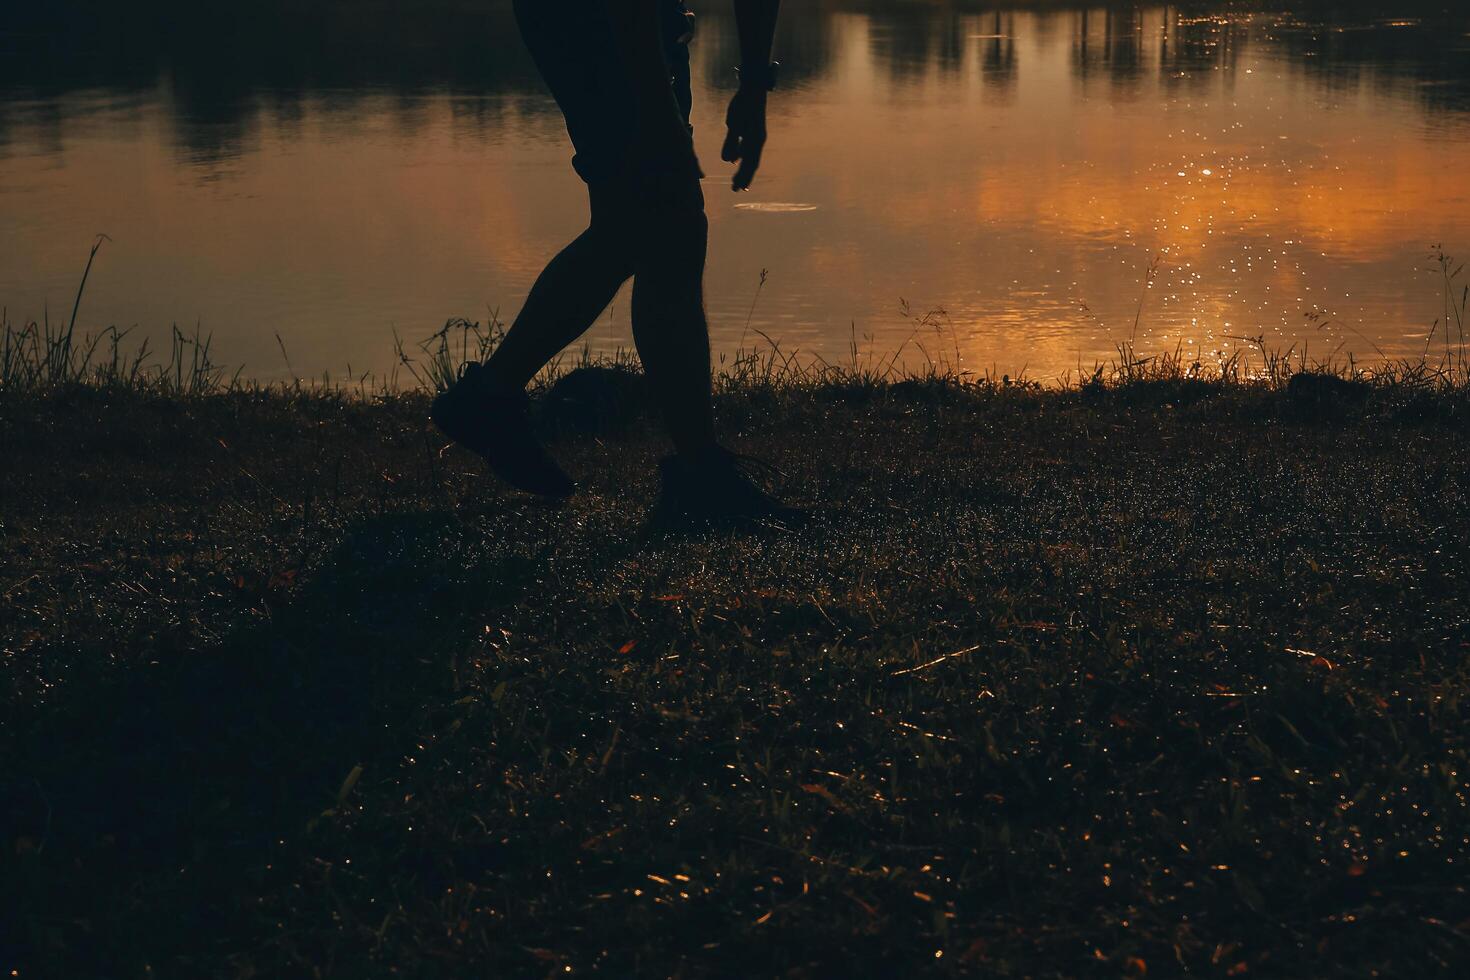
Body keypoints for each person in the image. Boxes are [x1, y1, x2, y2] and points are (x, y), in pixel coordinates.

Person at [431, 0, 803, 527]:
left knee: (647, 228)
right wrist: (656, 116)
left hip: (646, 21)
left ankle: (490, 399)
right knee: (663, 217)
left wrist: (755, 87)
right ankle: (699, 477)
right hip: (589, 20)